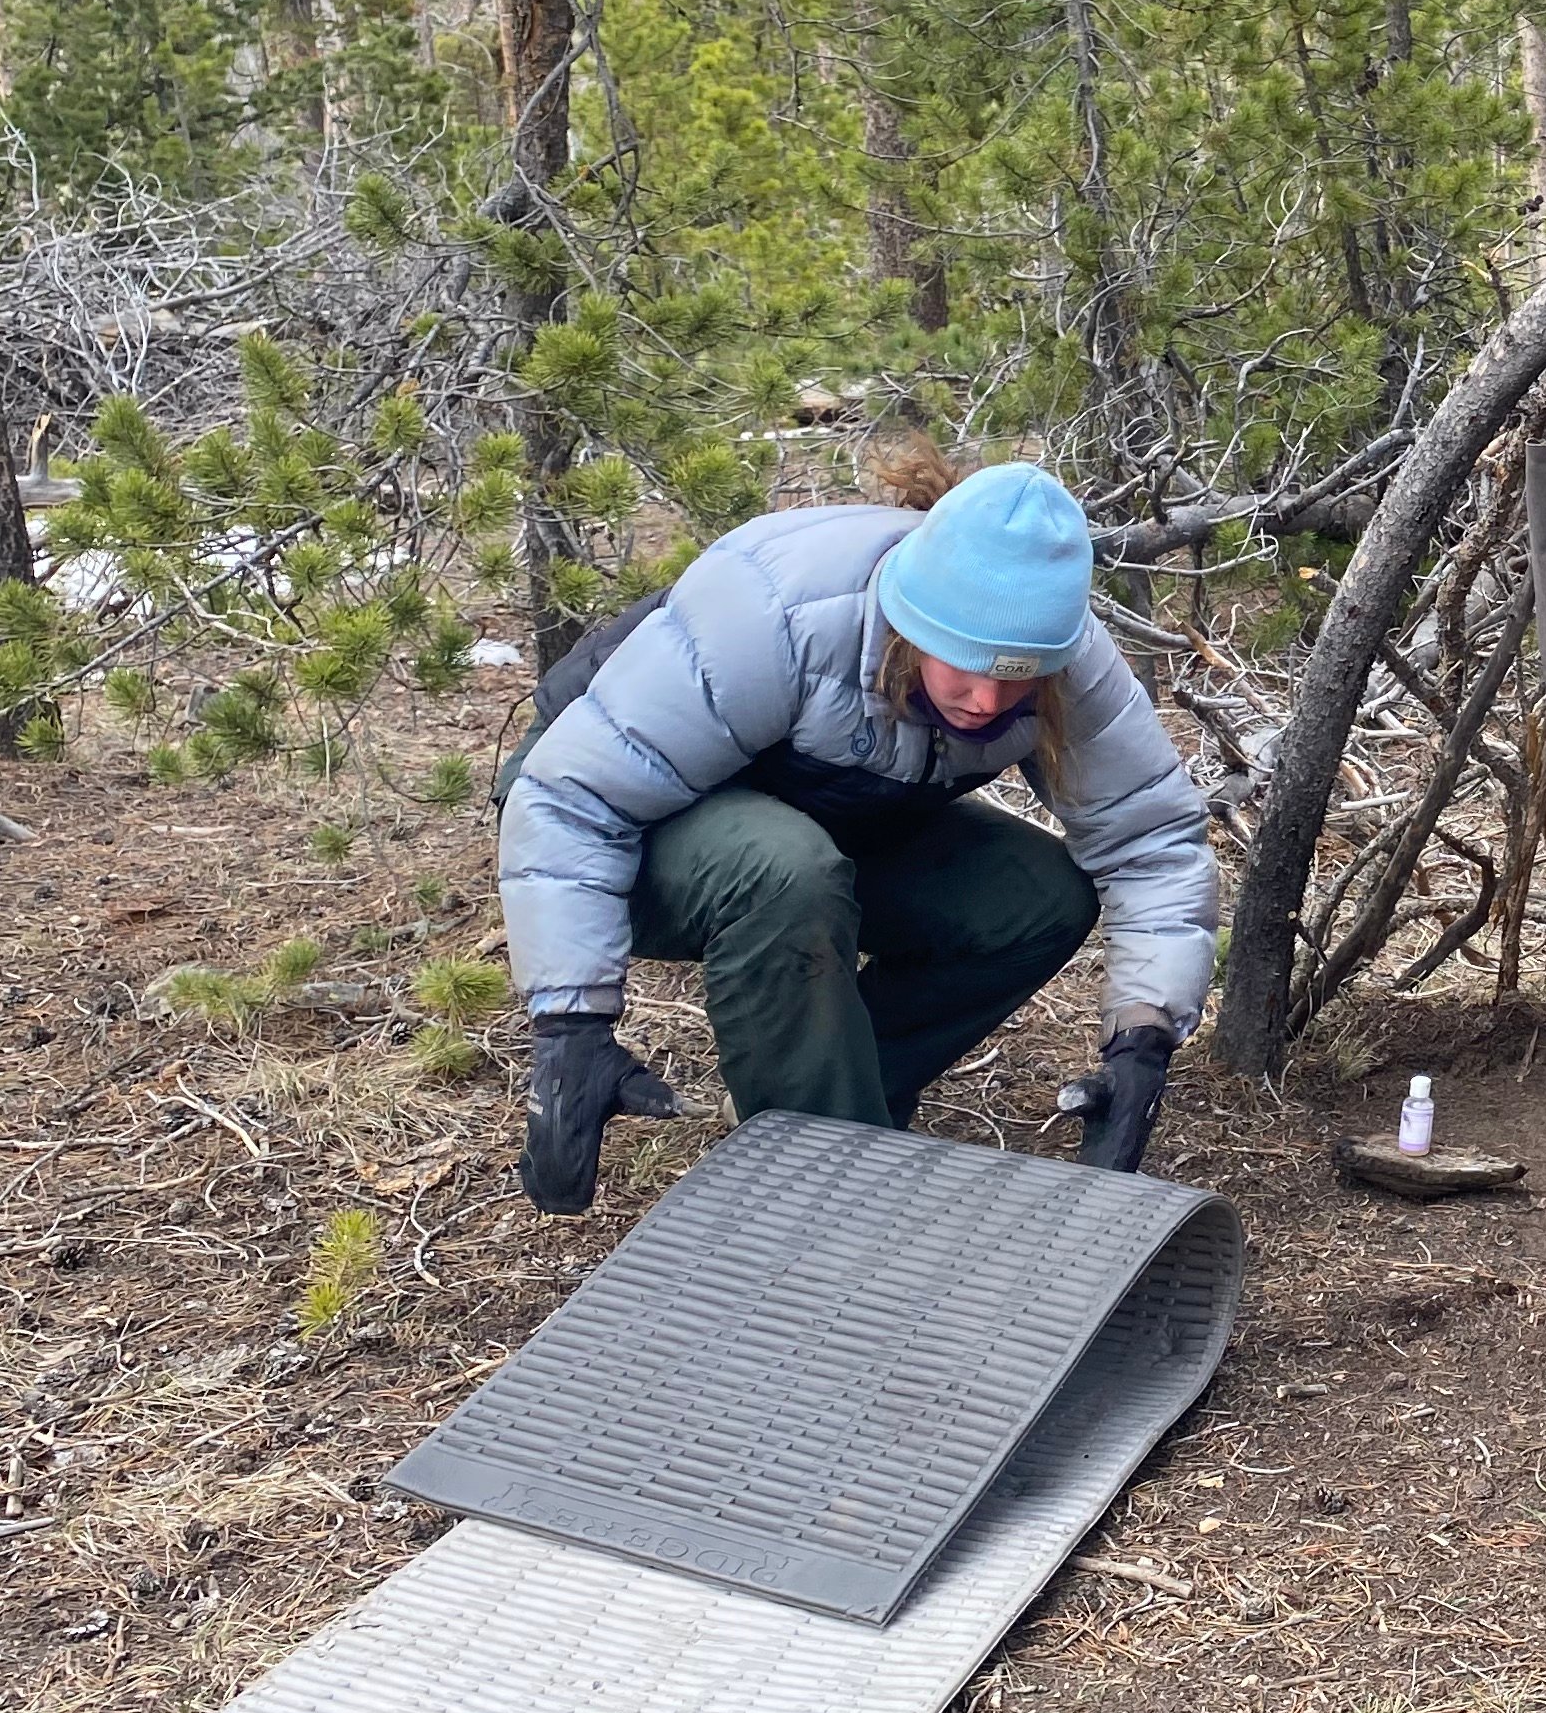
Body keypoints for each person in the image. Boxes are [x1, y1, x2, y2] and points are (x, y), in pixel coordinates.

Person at [494, 452, 1215, 1211]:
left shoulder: (1062, 656)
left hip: (817, 816)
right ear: (910, 620)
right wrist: (571, 1030)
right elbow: (571, 797)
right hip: (603, 815)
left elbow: (1152, 839)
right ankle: (824, 1192)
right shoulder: (779, 613)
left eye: (1018, 678)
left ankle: (837, 1109)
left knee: (1036, 899)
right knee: (782, 870)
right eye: (964, 666)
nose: (986, 700)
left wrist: (1144, 1039)